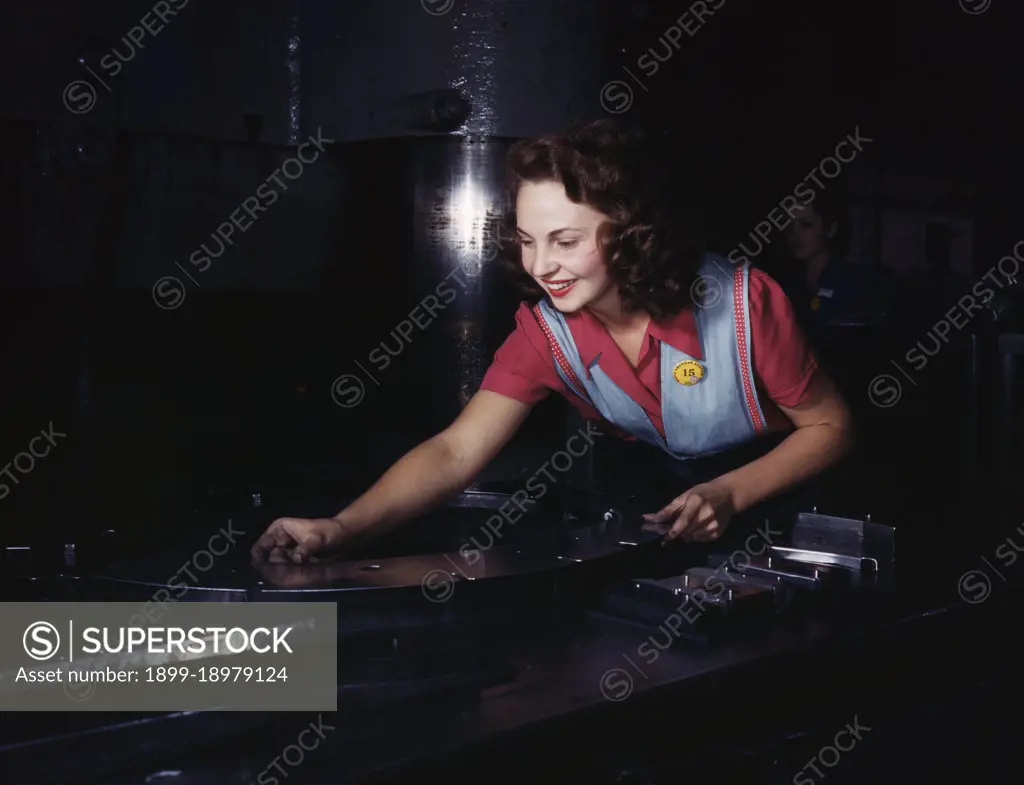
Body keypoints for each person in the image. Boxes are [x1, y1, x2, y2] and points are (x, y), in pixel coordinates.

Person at [252, 121, 854, 564]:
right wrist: (340, 528)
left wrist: (731, 491)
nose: (541, 265)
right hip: (669, 509)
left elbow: (831, 428)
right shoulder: (544, 333)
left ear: (631, 233)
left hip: (781, 503)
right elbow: (456, 452)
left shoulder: (746, 303)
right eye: (526, 240)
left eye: (565, 241)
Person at [776, 195, 893, 327]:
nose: (794, 234)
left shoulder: (854, 283)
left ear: (830, 229)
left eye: (806, 225)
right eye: (789, 225)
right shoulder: (786, 285)